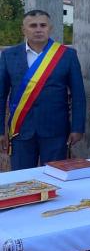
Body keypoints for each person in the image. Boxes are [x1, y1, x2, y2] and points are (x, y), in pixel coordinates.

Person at [0, 9, 85, 170]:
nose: (38, 29)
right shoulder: (9, 55)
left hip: (56, 130)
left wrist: (77, 128)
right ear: (23, 29)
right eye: (33, 26)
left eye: (43, 25)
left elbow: (78, 95)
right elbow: (1, 95)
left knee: (55, 177)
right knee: (22, 178)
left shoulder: (67, 55)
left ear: (50, 28)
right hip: (20, 130)